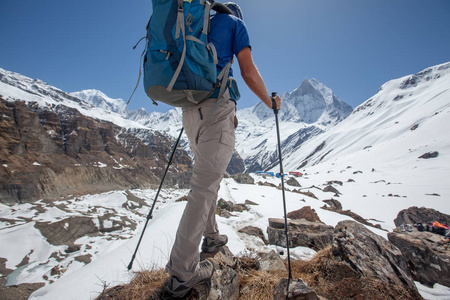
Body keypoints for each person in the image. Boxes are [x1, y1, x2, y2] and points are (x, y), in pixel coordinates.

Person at [165, 2, 281, 297]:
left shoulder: (197, 26)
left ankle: (212, 237)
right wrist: (270, 102)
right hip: (217, 108)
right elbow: (248, 70)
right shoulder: (235, 25)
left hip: (191, 111)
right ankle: (182, 273)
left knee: (207, 183)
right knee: (203, 188)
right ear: (237, 15)